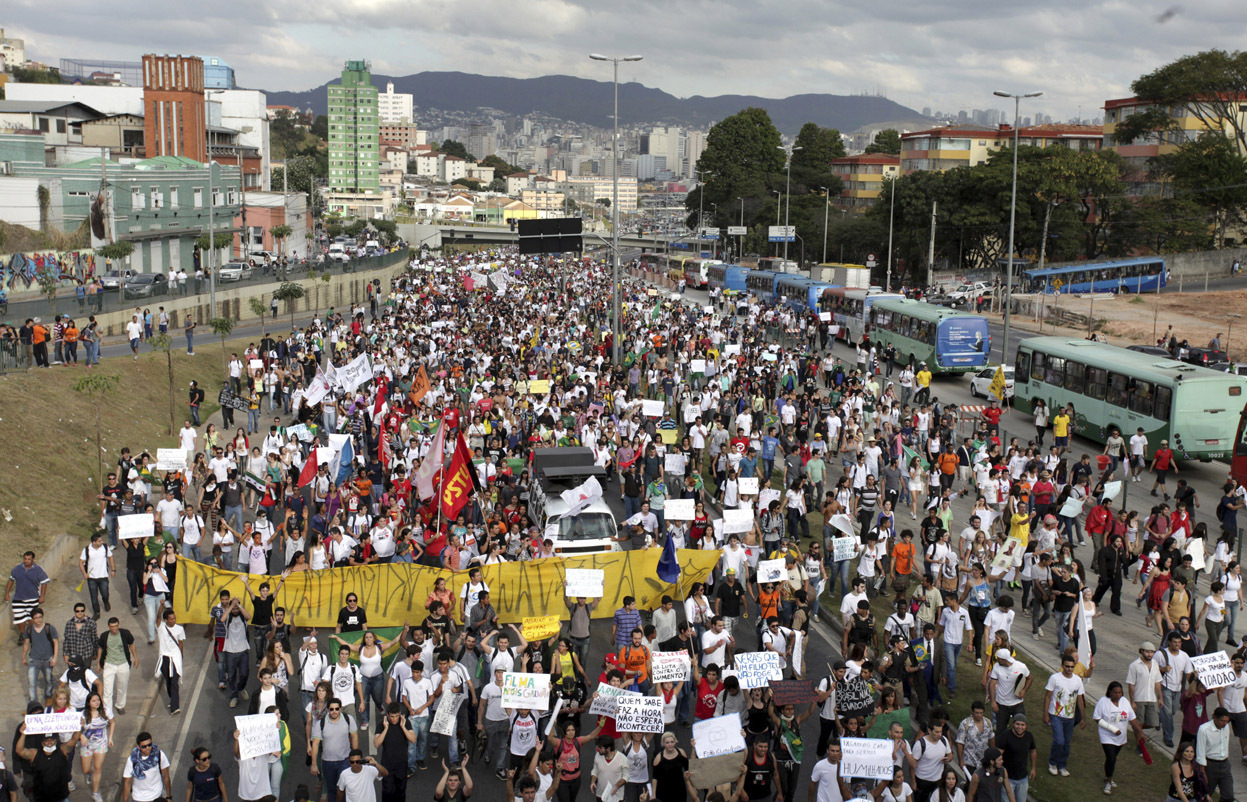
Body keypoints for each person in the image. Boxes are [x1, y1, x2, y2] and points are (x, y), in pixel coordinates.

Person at [1092, 681, 1145, 796]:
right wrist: (1111, 728)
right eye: (1115, 692)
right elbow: (1097, 718)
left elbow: (1132, 719)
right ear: (1110, 692)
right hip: (1107, 736)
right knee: (1111, 758)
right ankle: (1109, 783)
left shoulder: (1125, 702)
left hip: (1121, 737)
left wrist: (1140, 732)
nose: (1117, 695)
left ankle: (1107, 776)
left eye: (1120, 692)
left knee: (1112, 758)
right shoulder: (1103, 702)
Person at [1042, 654, 1086, 777]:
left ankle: (1062, 765)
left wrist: (1083, 718)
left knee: (1066, 743)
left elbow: (1080, 699)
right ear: (1062, 666)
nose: (1069, 669)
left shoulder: (1077, 680)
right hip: (1055, 714)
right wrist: (1045, 714)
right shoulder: (1055, 678)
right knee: (1059, 740)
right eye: (1067, 666)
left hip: (1070, 716)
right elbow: (1048, 696)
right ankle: (1053, 762)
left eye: (1072, 667)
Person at [15, 728, 78, 802]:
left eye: (52, 740)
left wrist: (78, 727)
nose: (49, 742)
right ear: (42, 742)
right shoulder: (34, 754)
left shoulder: (63, 751)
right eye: (47, 740)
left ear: (56, 741)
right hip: (41, 798)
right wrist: (23, 734)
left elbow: (74, 739)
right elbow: (19, 750)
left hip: (61, 796)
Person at [371, 704, 414, 802]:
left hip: (402, 764)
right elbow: (377, 744)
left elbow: (413, 739)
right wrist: (385, 728)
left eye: (397, 716)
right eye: (392, 716)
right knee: (387, 793)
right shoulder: (381, 724)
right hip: (387, 765)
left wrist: (403, 727)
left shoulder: (406, 723)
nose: (394, 719)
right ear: (387, 715)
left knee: (401, 792)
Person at [6, 551, 51, 637]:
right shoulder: (17, 569)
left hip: (33, 598)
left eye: (28, 559)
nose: (26, 561)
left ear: (33, 559)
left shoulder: (38, 570)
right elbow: (11, 580)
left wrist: (42, 596)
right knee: (19, 618)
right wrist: (7, 594)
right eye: (25, 559)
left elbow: (44, 583)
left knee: (31, 617)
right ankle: (22, 634)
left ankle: (30, 633)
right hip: (18, 598)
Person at [19, 607, 58, 703]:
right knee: (32, 682)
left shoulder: (49, 628)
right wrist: (23, 657)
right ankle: (33, 703)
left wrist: (55, 657)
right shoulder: (29, 630)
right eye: (36, 618)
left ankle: (48, 697)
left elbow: (56, 642)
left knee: (49, 680)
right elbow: (26, 643)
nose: (38, 620)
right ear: (32, 619)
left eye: (40, 617)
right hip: (34, 659)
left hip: (47, 659)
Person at [122, 732, 173, 802]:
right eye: (144, 746)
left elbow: (166, 776)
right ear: (138, 747)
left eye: (149, 745)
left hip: (156, 797)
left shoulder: (159, 755)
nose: (147, 748)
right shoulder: (132, 760)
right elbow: (127, 782)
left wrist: (168, 796)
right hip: (138, 798)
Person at [997, 714, 1036, 802]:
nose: (1020, 727)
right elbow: (998, 754)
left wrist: (1033, 768)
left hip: (1023, 778)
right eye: (1017, 724)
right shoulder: (1005, 736)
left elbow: (1033, 751)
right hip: (1008, 778)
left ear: (1026, 725)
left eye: (1022, 725)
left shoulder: (1029, 736)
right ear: (1013, 724)